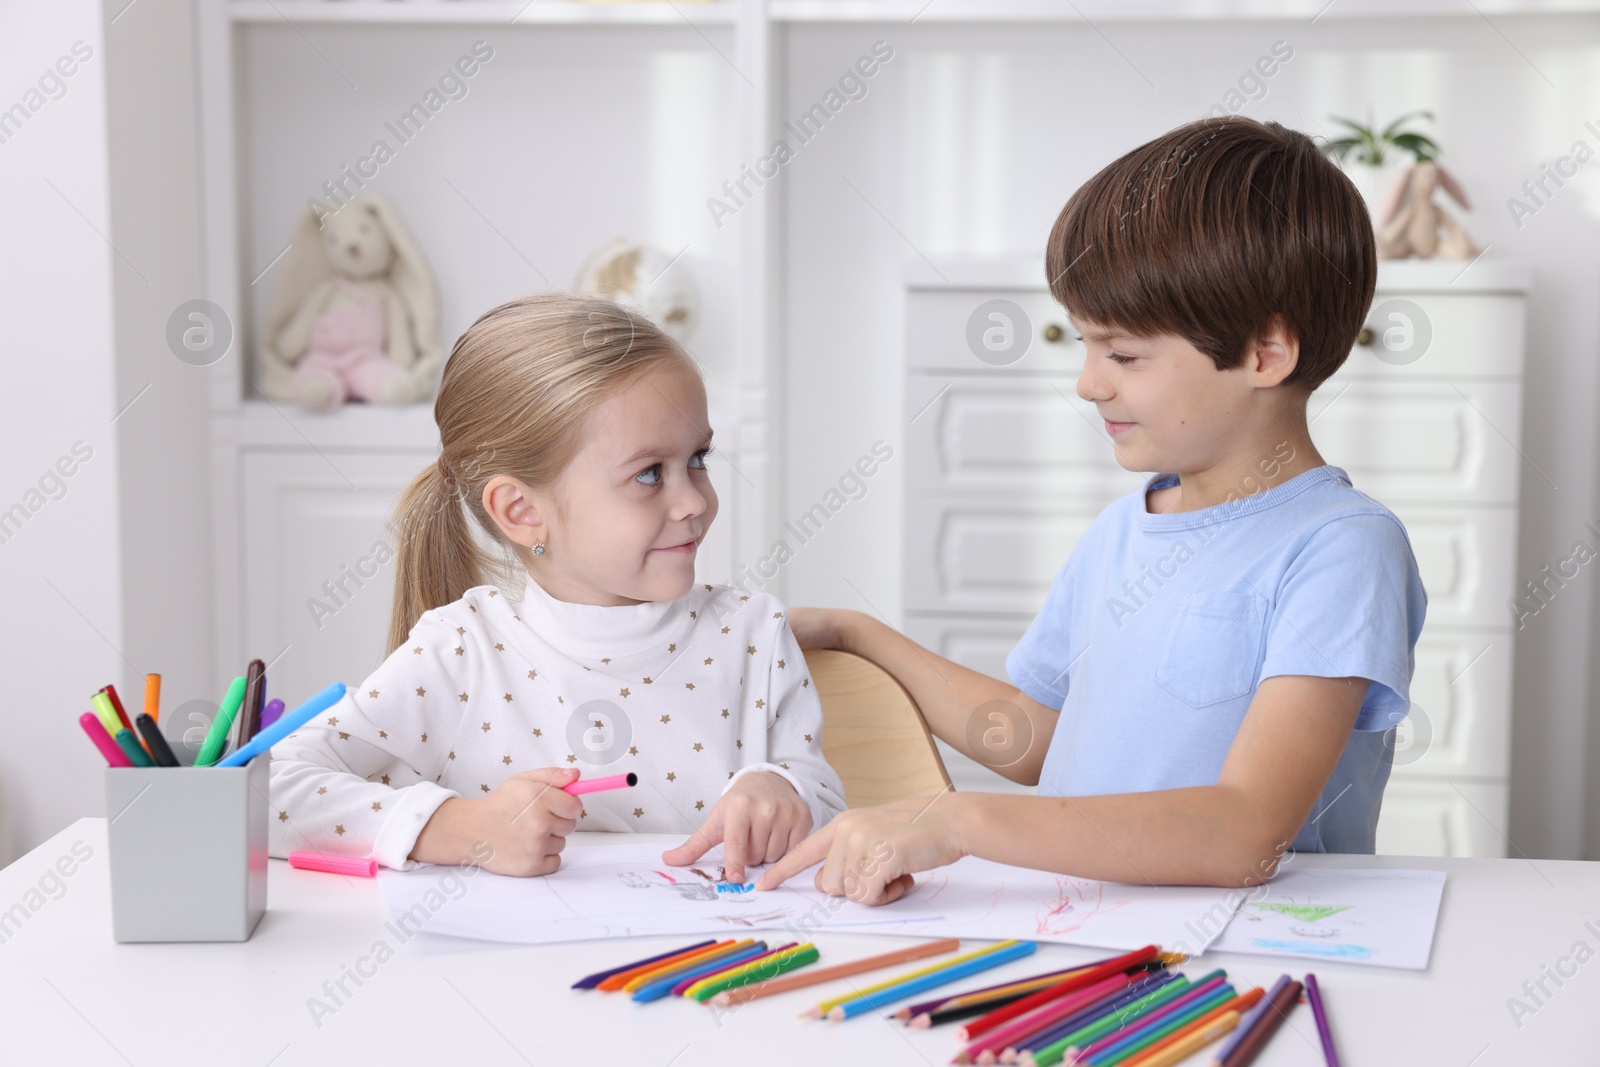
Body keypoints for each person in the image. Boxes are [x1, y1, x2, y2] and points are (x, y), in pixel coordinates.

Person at [757, 116, 1427, 904]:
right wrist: (859, 634)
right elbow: (1037, 739)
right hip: (1095, 925)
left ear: (1264, 353)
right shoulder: (1124, 529)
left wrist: (962, 820)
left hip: (1242, 947)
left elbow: (1245, 832)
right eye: (1083, 344)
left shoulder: (1342, 548)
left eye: (1124, 354)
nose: (1088, 381)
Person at [268, 293, 845, 882]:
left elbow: (826, 804)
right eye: (649, 473)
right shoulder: (462, 654)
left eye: (697, 458)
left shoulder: (753, 635)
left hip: (700, 969)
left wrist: (782, 789)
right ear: (520, 510)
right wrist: (456, 828)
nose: (694, 500)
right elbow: (268, 790)